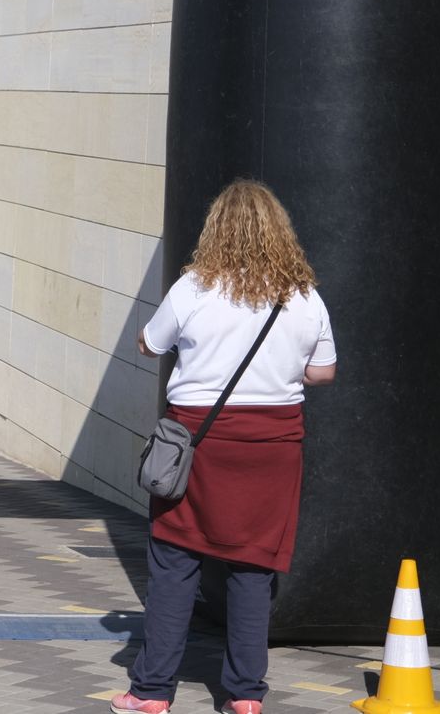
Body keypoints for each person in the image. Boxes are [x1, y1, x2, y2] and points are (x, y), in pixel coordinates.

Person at [110, 179, 337, 714]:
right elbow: (323, 372)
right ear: (281, 234)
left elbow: (149, 342)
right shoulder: (303, 297)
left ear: (216, 231)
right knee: (253, 567)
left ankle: (151, 692)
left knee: (174, 563)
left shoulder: (193, 288)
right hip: (272, 448)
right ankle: (244, 695)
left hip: (198, 442)